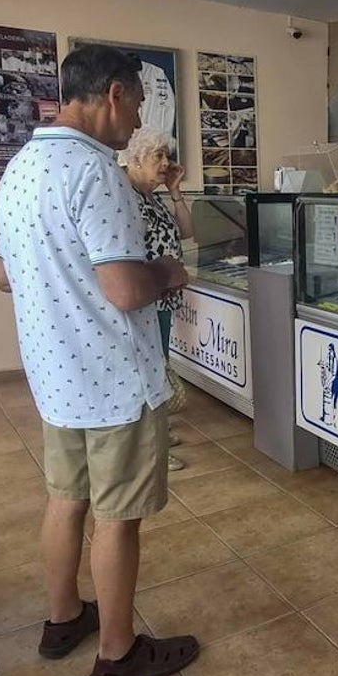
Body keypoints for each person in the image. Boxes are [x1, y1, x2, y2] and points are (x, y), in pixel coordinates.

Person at [0, 44, 198, 676]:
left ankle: (62, 619)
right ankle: (117, 650)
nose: (137, 119)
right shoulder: (96, 174)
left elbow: (5, 275)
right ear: (112, 92)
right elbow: (125, 291)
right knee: (117, 518)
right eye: (136, 102)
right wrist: (167, 272)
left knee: (67, 499)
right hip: (112, 379)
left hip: (56, 375)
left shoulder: (20, 169)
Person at [120, 127, 195, 472]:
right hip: (144, 300)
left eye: (167, 155)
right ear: (135, 160)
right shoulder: (124, 195)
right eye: (158, 156)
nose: (166, 162)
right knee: (145, 375)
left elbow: (186, 231)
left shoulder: (152, 196)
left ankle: (158, 431)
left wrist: (175, 191)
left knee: (157, 367)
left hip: (162, 300)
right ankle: (151, 450)